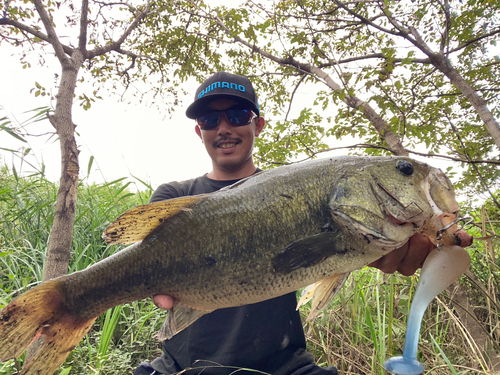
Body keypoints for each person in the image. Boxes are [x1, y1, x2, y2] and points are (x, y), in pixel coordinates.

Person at [133, 72, 436, 375]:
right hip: (179, 367)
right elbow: (143, 265)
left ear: (258, 125)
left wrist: (383, 245)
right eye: (210, 121)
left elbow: (331, 250)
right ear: (199, 132)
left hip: (283, 367)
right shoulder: (174, 196)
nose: (223, 128)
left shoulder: (296, 193)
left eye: (237, 116)